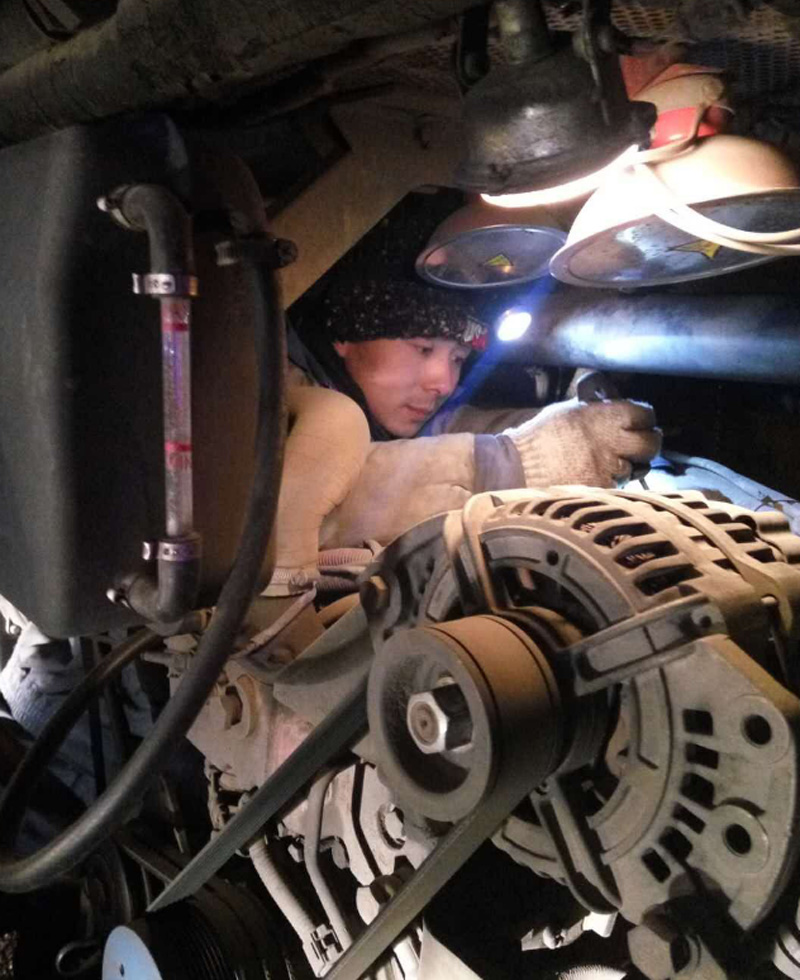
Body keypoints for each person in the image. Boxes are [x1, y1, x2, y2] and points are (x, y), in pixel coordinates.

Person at [285, 277, 662, 552]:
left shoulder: (377, 408)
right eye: (423, 348)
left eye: (458, 359)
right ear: (346, 337)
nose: (444, 383)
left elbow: (443, 430)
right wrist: (510, 463)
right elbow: (305, 501)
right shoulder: (270, 391)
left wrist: (572, 424)